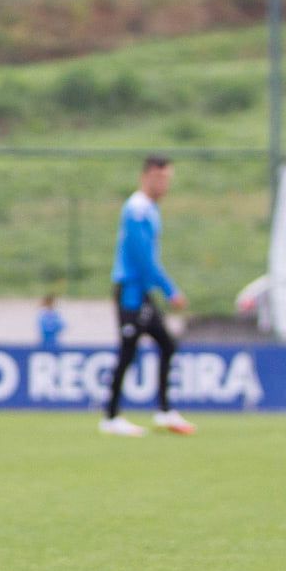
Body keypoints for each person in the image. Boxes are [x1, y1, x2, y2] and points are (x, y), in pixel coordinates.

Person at [100, 155, 194, 436]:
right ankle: (111, 417)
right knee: (128, 352)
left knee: (167, 344)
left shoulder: (150, 209)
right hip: (131, 292)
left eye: (168, 179)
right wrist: (170, 289)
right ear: (146, 177)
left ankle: (164, 411)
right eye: (160, 178)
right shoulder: (137, 210)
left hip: (142, 293)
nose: (164, 185)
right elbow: (142, 258)